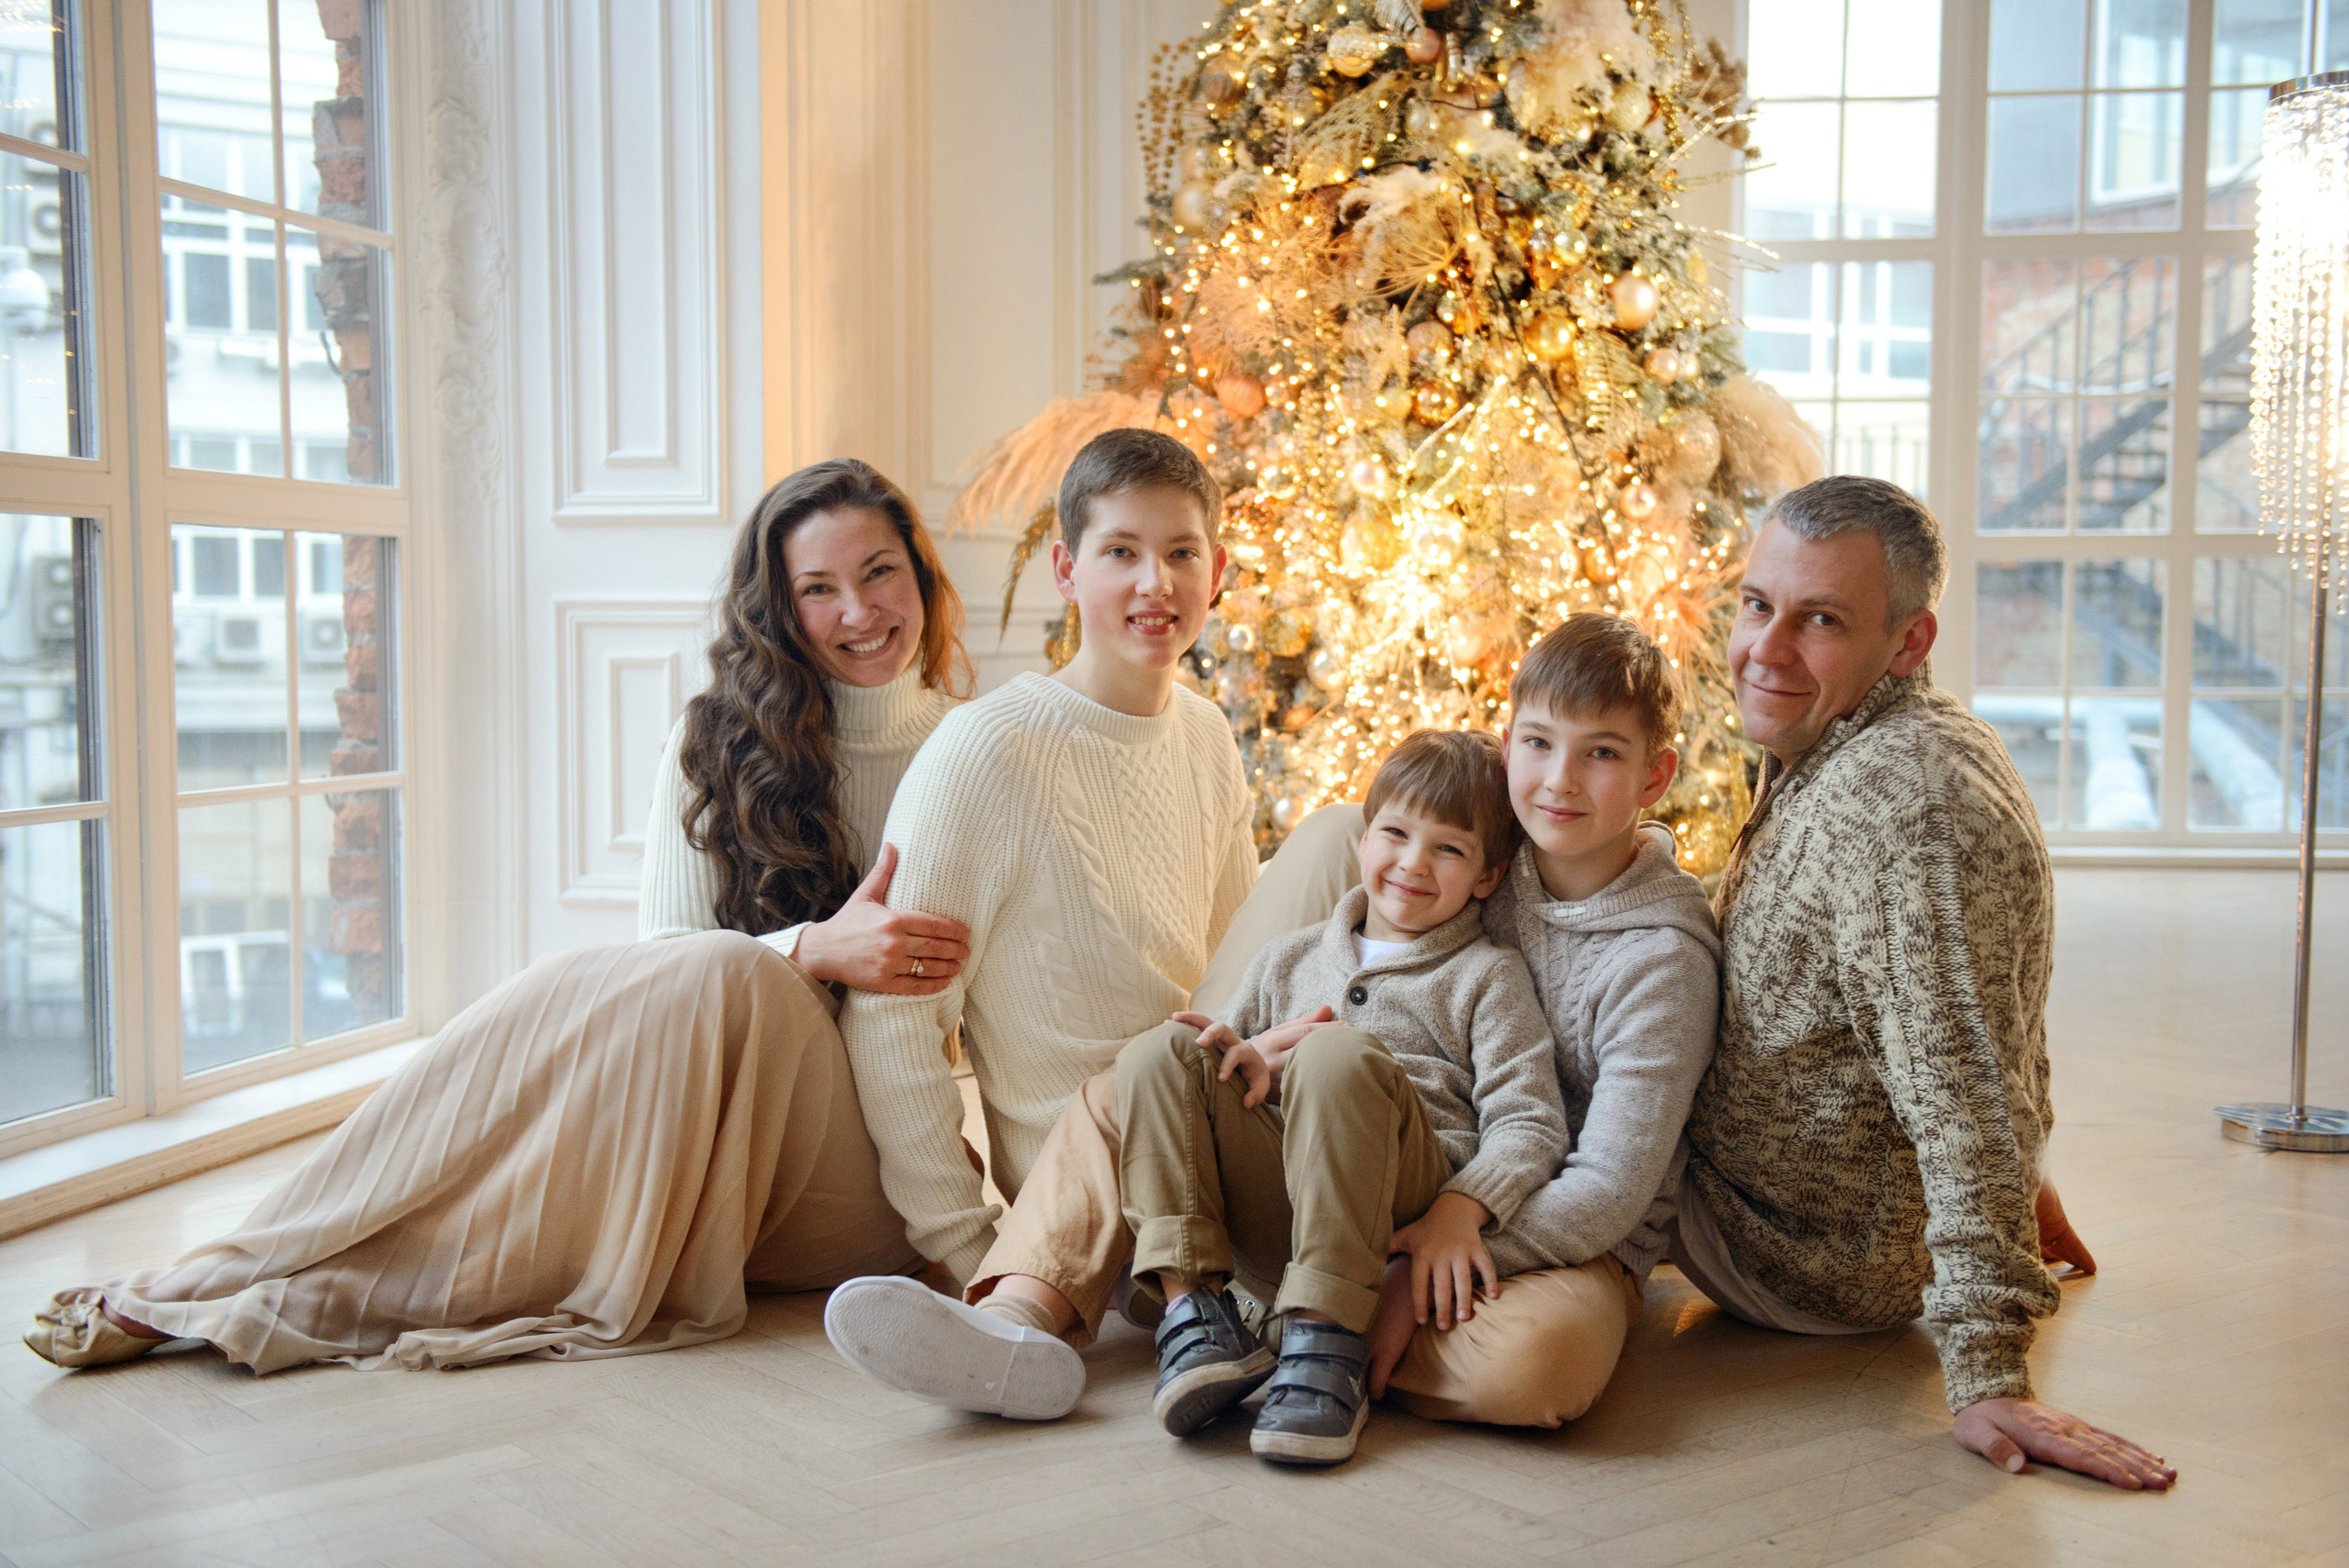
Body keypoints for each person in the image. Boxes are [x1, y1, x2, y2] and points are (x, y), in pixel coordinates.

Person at [25, 460, 979, 1373]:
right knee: (568, 1035)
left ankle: (260, 1290)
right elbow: (666, 966)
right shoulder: (720, 741)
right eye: (818, 588)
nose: (858, 611)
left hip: (861, 1183)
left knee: (719, 977)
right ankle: (232, 1270)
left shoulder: (973, 754)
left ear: (921, 576)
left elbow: (1013, 1024)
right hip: (705, 1137)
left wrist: (1014, 1250)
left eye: (878, 572)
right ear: (777, 608)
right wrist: (815, 948)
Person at [846, 610, 1725, 1431]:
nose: (1560, 779)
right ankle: (1017, 1321)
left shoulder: (1658, 960)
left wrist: (1426, 1252)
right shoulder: (1488, 850)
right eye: (1538, 744)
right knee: (1135, 1084)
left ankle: (1292, 1320)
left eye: (1601, 754)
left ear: (1655, 776)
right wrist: (1255, 1051)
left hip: (1531, 1228)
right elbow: (1372, 874)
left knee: (1536, 1363)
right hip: (1327, 1168)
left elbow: (1607, 1187)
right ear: (1509, 748)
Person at [1674, 473, 2176, 1491]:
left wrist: (1990, 1368)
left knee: (1430, 942)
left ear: (1909, 641)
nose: (1765, 649)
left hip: (1785, 1247)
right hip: (1791, 1203)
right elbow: (1964, 1015)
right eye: (1758, 603)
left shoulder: (1904, 810)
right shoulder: (1859, 734)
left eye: (1820, 619)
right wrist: (2030, 1186)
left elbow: (1961, 1089)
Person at [819, 428, 1275, 1418]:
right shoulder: (987, 749)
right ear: (1066, 569)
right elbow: (893, 1024)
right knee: (1136, 1079)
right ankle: (1015, 1318)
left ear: (1216, 571)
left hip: (1207, 1137)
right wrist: (977, 1250)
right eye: (1121, 551)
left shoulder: (1206, 735)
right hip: (1081, 1189)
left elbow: (1248, 974)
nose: (1155, 582)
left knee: (1338, 838)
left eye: (1181, 552)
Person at [1117, 728, 1568, 1466]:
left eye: (1448, 849)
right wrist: (1247, 1058)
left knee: (1333, 1051)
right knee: (1161, 1050)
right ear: (1364, 839)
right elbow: (1211, 1074)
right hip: (1279, 1204)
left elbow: (1531, 1120)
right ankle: (1193, 1314)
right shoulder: (1286, 958)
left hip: (1401, 1204)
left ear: (1488, 876)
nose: (1413, 862)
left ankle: (1329, 1343)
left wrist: (1464, 1207)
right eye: (1396, 833)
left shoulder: (1488, 976)